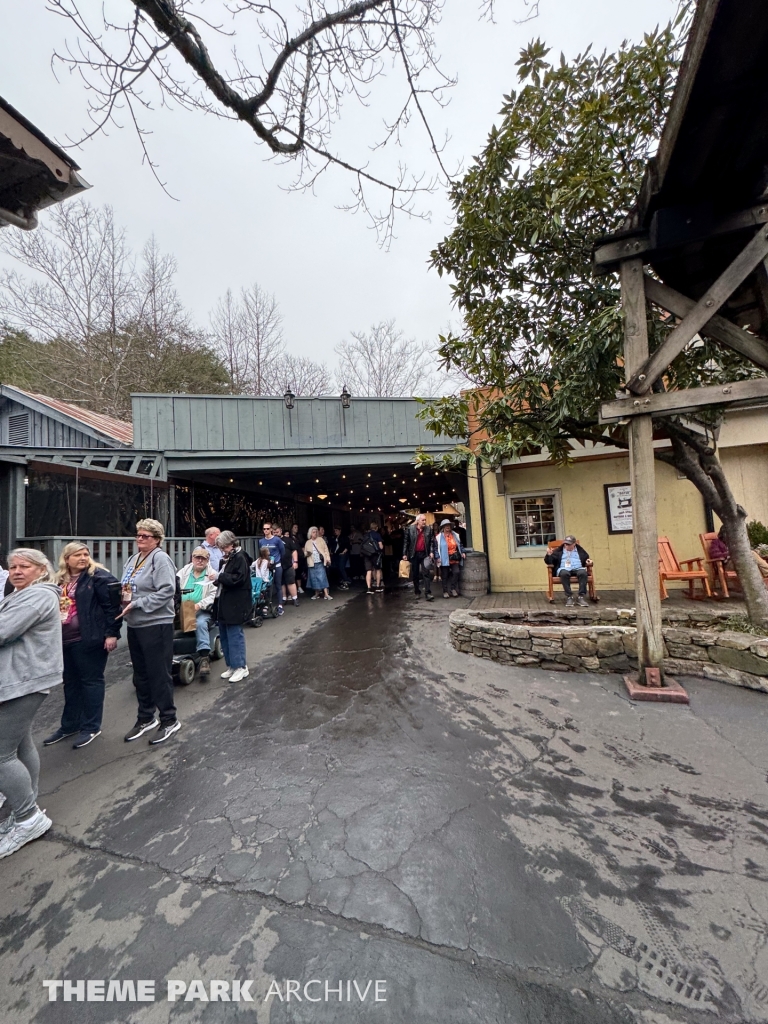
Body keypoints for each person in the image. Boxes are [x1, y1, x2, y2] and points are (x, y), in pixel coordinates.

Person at [0, 548, 62, 859]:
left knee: (0, 755)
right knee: (20, 746)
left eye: (25, 566)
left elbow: (2, 631)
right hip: (17, 680)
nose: (17, 571)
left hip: (23, 681)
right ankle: (27, 806)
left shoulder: (38, 596)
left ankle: (27, 818)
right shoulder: (23, 595)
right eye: (12, 566)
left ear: (41, 569)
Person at [43, 543, 122, 749]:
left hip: (89, 639)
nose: (83, 558)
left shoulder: (99, 577)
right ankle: (69, 725)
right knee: (70, 683)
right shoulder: (58, 580)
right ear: (66, 558)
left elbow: (112, 607)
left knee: (91, 682)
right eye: (77, 555)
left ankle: (91, 727)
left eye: (86, 554)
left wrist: (112, 633)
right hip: (64, 640)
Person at [118, 518, 180, 745]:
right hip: (135, 624)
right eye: (138, 535)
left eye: (145, 536)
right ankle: (146, 717)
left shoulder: (160, 559)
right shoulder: (134, 559)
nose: (140, 539)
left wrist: (139, 603)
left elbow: (167, 591)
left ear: (157, 539)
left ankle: (169, 719)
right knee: (140, 674)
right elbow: (127, 586)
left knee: (158, 674)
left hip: (156, 623)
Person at [216, 531, 253, 682]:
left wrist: (219, 577)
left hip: (236, 601)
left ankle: (241, 667)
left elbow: (238, 579)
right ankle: (232, 665)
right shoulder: (229, 557)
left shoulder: (240, 557)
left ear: (230, 544)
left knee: (234, 634)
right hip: (226, 600)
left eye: (223, 547)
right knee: (225, 633)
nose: (221, 550)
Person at [177, 548, 217, 679]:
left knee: (199, 623)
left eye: (203, 558)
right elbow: (174, 584)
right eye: (197, 558)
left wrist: (199, 605)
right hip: (184, 608)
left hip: (202, 610)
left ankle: (204, 657)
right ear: (192, 558)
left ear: (207, 560)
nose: (199, 560)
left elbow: (213, 595)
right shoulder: (184, 571)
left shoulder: (211, 574)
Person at [545, 535, 593, 607]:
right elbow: (549, 562)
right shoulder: (559, 551)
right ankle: (569, 596)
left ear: (574, 544)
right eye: (565, 544)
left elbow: (586, 559)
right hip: (564, 568)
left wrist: (588, 562)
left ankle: (581, 597)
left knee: (583, 573)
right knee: (564, 574)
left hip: (578, 568)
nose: (566, 545)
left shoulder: (580, 550)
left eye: (569, 544)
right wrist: (549, 555)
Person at [403, 514, 435, 601]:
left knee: (426, 573)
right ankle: (417, 591)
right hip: (414, 554)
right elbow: (406, 542)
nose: (424, 522)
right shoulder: (410, 529)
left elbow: (432, 542)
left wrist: (431, 552)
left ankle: (428, 593)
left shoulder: (429, 529)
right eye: (423, 520)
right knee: (415, 574)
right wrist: (404, 553)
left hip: (425, 554)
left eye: (425, 520)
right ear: (418, 521)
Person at [258, 522, 286, 616]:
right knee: (267, 586)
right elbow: (261, 553)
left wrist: (278, 561)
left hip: (276, 565)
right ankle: (266, 604)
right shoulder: (261, 541)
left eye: (267, 529)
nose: (266, 530)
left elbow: (283, 552)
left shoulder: (277, 540)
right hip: (266, 567)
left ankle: (280, 605)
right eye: (264, 529)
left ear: (271, 530)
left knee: (278, 585)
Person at [434, 519, 466, 598]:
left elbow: (460, 545)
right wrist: (437, 557)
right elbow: (435, 548)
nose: (448, 527)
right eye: (446, 525)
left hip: (454, 557)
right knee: (445, 575)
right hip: (444, 558)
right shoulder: (438, 537)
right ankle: (445, 591)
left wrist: (462, 552)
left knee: (456, 572)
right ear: (443, 527)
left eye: (449, 525)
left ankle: (452, 588)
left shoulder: (455, 535)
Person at [304, 527, 332, 600]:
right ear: (310, 533)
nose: (315, 533)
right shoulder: (308, 542)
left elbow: (326, 550)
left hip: (320, 562)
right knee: (314, 579)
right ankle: (316, 593)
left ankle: (326, 594)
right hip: (311, 562)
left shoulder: (321, 540)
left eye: (316, 532)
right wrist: (307, 553)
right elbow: (305, 553)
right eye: (313, 532)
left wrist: (328, 559)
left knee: (323, 577)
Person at [274, 528, 300, 607]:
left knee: (291, 581)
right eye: (274, 532)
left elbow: (294, 550)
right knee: (281, 583)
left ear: (281, 531)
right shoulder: (272, 541)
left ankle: (295, 598)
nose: (275, 533)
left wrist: (295, 562)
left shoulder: (287, 540)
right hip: (277, 565)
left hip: (288, 564)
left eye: (277, 532)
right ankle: (284, 598)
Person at [362, 522, 384, 594]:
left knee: (368, 571)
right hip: (375, 555)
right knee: (378, 570)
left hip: (367, 554)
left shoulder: (366, 535)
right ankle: (378, 587)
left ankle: (369, 588)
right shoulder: (377, 535)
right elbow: (381, 546)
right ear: (376, 528)